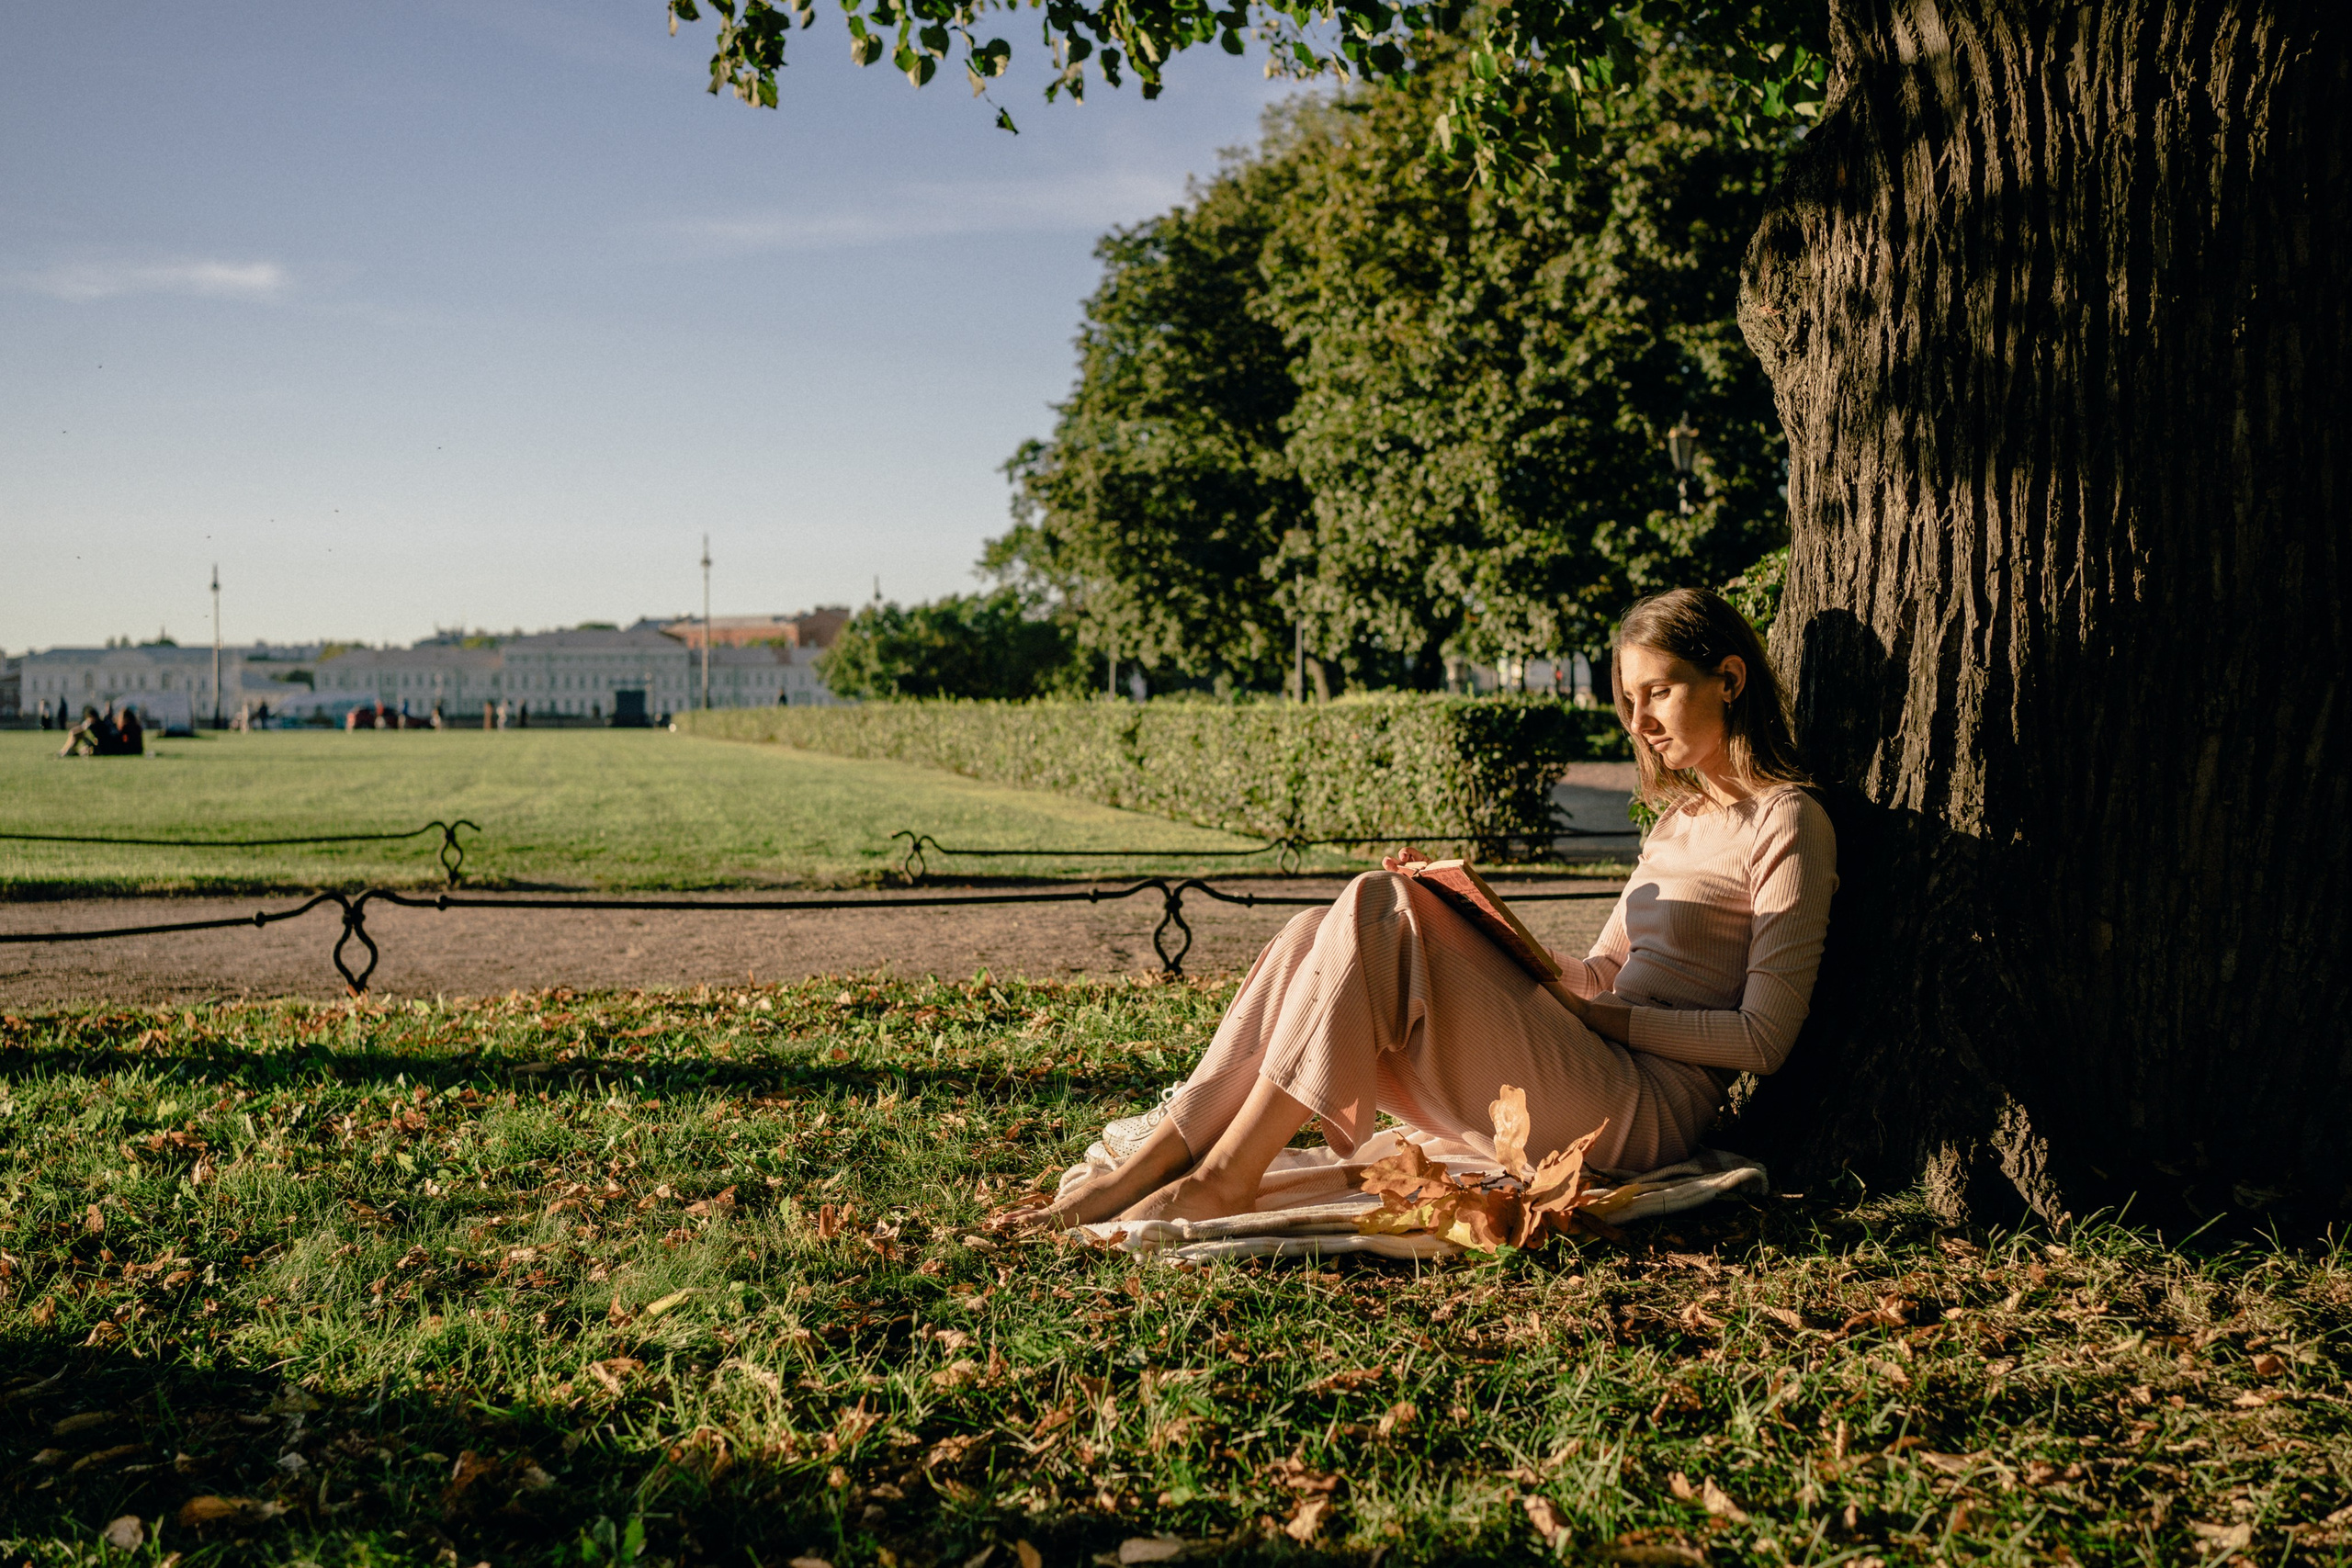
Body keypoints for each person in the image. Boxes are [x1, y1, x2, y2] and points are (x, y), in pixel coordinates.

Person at [1010, 586, 1838, 1228]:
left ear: (1728, 678)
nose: (1641, 720)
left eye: (1659, 692)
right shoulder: (1674, 820)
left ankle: (1222, 1180)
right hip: (1597, 1055)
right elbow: (1600, 972)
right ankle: (1152, 1163)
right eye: (1629, 700)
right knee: (1324, 926)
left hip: (1647, 1109)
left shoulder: (1789, 820)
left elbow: (1763, 1039)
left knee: (1377, 905)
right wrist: (1491, 927)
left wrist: (1613, 1020)